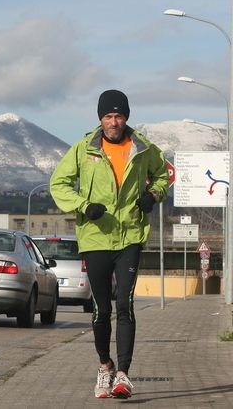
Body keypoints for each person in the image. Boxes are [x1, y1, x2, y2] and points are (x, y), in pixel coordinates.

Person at [49, 89, 169, 399]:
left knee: (125, 305)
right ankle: (105, 366)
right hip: (96, 237)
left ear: (126, 117)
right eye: (108, 116)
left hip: (130, 236)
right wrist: (83, 205)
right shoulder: (84, 148)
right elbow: (58, 184)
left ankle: (123, 375)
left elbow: (163, 175)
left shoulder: (143, 148)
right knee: (102, 309)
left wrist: (152, 195)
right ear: (100, 119)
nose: (113, 122)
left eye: (118, 116)